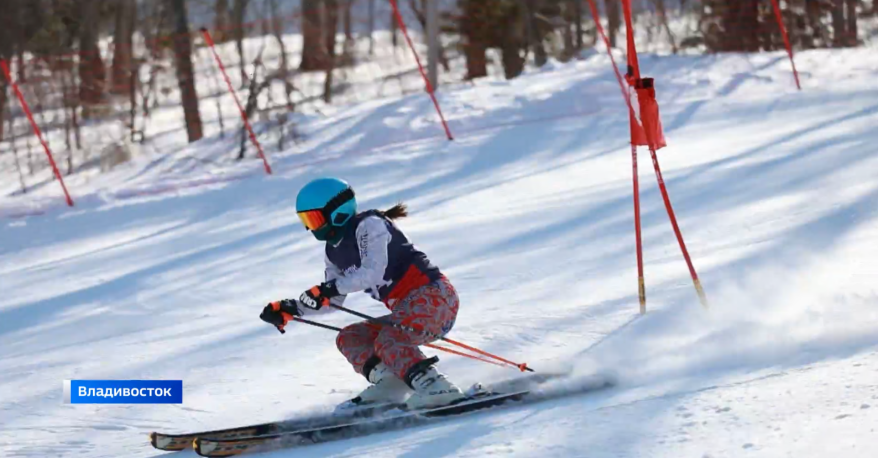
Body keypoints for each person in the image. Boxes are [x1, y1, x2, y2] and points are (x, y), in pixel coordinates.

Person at [259, 177, 466, 409]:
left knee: (390, 338)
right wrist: (294, 309)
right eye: (306, 220)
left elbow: (372, 272)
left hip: (434, 298)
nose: (311, 228)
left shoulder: (370, 225)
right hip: (406, 310)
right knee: (350, 337)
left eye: (315, 219)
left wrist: (328, 289)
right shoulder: (333, 250)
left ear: (337, 212)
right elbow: (333, 299)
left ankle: (436, 387)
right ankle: (392, 384)